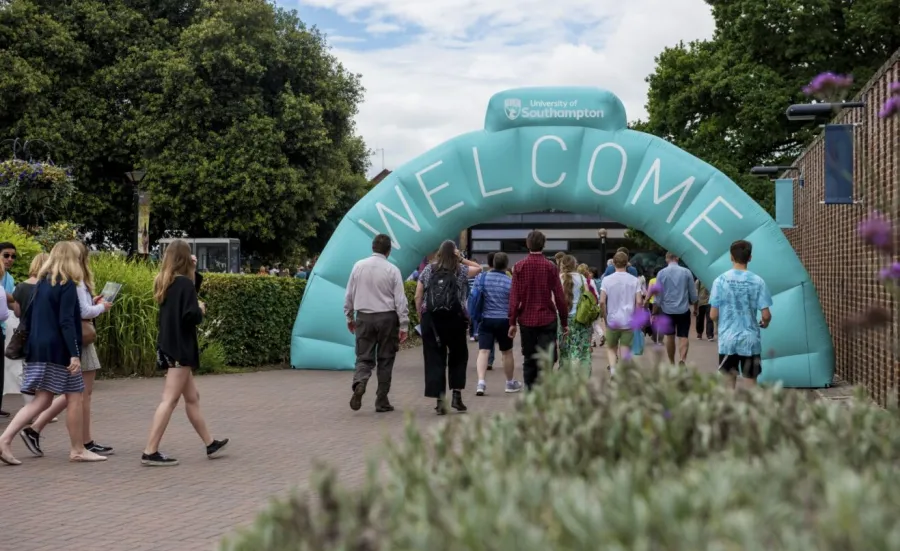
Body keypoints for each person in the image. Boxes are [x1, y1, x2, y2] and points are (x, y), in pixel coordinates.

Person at [0, 241, 106, 465]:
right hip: (58, 349)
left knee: (42, 399)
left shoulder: (42, 282)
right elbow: (67, 322)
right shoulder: (66, 283)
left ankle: (6, 439)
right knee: (75, 396)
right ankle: (78, 449)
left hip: (38, 347)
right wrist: (74, 354)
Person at [141, 239, 228, 466]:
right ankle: (150, 450)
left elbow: (184, 296)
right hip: (181, 348)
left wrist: (193, 272)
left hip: (168, 345)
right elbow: (190, 314)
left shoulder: (164, 281)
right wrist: (200, 309)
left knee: (192, 397)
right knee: (169, 400)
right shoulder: (183, 284)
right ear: (185, 258)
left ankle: (210, 443)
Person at [344, 234, 409, 413]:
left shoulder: (358, 266)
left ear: (372, 247)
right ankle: (382, 400)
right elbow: (400, 300)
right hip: (387, 318)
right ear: (388, 251)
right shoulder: (393, 270)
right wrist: (403, 325)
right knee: (385, 359)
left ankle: (360, 382)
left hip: (364, 317)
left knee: (363, 356)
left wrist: (349, 316)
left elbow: (349, 294)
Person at [415, 240, 481, 414]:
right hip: (455, 319)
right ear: (454, 253)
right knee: (458, 356)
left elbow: (418, 294)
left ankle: (440, 401)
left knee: (435, 358)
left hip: (432, 320)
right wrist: (461, 259)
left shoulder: (429, 269)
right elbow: (479, 268)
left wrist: (421, 315)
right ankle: (457, 396)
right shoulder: (460, 269)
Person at [509, 231, 568, 390]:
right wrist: (564, 321)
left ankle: (530, 390)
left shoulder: (519, 267)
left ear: (527, 244)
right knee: (548, 357)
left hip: (526, 319)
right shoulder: (551, 267)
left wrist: (512, 321)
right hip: (547, 318)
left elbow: (514, 297)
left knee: (529, 357)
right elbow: (560, 297)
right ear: (544, 244)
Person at [710, 240, 773, 388]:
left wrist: (719, 324)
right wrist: (765, 323)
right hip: (750, 340)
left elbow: (713, 314)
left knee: (728, 384)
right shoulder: (758, 281)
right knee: (751, 383)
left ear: (731, 257)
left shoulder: (720, 281)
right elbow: (766, 315)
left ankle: (731, 411)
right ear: (750, 257)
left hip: (727, 340)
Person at [5, 253, 50, 414]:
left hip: (26, 334)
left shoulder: (21, 287)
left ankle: (29, 409)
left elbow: (17, 312)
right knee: (44, 373)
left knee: (27, 372)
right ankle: (42, 410)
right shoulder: (51, 286)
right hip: (46, 334)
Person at [474, 252, 522, 396]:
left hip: (486, 319)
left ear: (492, 263)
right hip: (504, 321)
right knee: (506, 352)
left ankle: (481, 382)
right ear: (506, 265)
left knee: (483, 351)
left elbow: (475, 295)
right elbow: (515, 303)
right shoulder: (510, 281)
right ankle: (509, 383)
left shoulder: (482, 278)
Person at [599, 252, 643, 376]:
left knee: (611, 347)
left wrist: (604, 316)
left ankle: (613, 371)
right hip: (628, 320)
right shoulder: (634, 280)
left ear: (613, 263)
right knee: (625, 348)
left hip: (612, 319)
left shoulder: (607, 280)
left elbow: (602, 301)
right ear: (627, 263)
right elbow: (639, 302)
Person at [654, 252, 698, 365]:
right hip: (683, 309)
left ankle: (672, 362)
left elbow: (658, 296)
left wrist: (654, 312)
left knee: (669, 337)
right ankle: (682, 359)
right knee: (683, 336)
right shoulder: (686, 272)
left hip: (667, 310)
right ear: (677, 258)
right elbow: (693, 295)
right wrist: (694, 303)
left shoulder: (661, 273)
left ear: (666, 259)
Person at [557, 256, 593, 373]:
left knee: (564, 350)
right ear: (575, 265)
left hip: (562, 319)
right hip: (580, 318)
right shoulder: (581, 278)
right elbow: (588, 297)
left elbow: (554, 299)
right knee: (583, 349)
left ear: (562, 265)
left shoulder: (559, 279)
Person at [1, 241, 16, 417]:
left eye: (13, 256)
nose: (10, 259)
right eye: (6, 255)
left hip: (2, 328)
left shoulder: (9, 278)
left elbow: (12, 302)